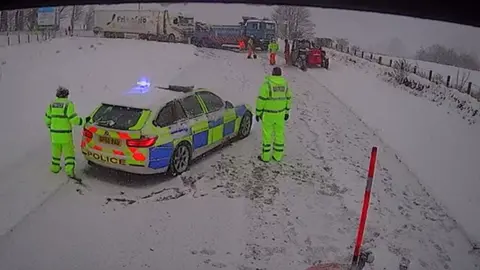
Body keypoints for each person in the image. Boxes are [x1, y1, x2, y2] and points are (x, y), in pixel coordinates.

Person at [44, 86, 84, 178]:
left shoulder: (52, 104)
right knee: (69, 154)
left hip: (54, 135)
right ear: (66, 95)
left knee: (56, 152)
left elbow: (47, 119)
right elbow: (74, 120)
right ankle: (69, 171)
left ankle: (55, 168)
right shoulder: (68, 104)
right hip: (65, 135)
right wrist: (83, 121)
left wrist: (51, 126)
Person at [255, 67, 292, 162]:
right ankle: (277, 156)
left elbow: (261, 100)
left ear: (272, 73)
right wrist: (287, 112)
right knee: (279, 134)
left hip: (268, 114)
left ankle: (266, 157)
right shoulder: (285, 85)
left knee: (267, 135)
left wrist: (258, 113)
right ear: (280, 74)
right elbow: (288, 98)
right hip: (280, 114)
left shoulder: (267, 84)